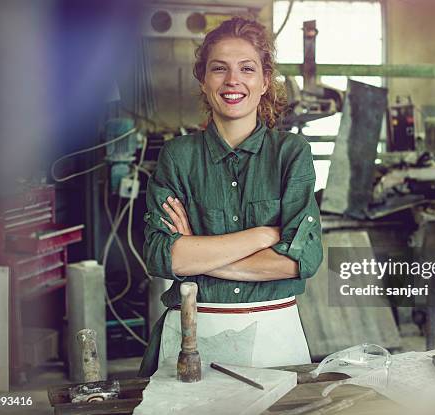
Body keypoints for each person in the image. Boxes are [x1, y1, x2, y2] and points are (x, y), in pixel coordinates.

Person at [138, 17, 323, 377]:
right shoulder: (178, 157)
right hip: (192, 332)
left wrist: (195, 250)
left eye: (247, 69)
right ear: (204, 81)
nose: (232, 80)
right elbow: (162, 257)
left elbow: (302, 260)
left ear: (265, 80)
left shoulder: (291, 153)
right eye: (219, 69)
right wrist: (264, 235)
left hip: (276, 335)